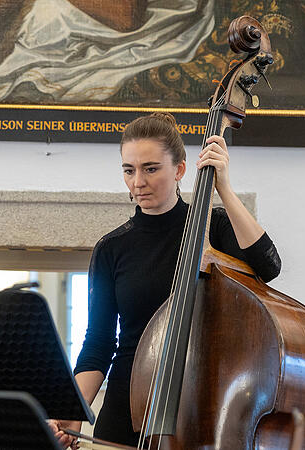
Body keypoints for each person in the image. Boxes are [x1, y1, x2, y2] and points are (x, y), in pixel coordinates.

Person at [48, 112, 281, 448]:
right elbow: (98, 344)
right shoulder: (111, 248)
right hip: (126, 409)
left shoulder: (213, 228)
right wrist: (72, 408)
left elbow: (269, 265)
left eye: (150, 168)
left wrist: (223, 187)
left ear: (180, 170)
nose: (138, 181)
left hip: (200, 406)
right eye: (129, 170)